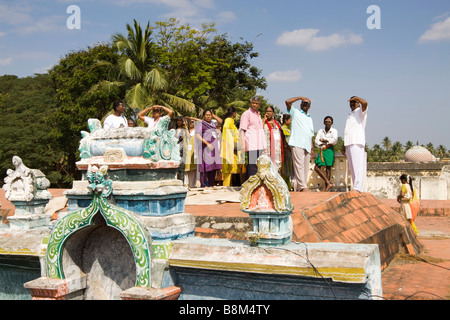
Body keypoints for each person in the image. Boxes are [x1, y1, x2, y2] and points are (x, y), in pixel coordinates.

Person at [285, 96, 315, 192]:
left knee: (306, 167)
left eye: (307, 104)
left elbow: (310, 134)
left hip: (307, 145)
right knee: (299, 166)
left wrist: (312, 147)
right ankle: (302, 186)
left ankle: (301, 187)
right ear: (301, 104)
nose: (305, 105)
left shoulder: (309, 118)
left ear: (309, 106)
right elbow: (287, 102)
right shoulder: (295, 112)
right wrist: (300, 97)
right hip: (297, 142)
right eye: (303, 103)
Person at [188, 110, 222, 188]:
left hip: (213, 149)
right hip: (205, 148)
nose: (208, 116)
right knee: (205, 167)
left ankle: (211, 184)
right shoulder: (201, 124)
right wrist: (206, 143)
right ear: (203, 116)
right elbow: (197, 135)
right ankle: (203, 185)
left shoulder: (213, 124)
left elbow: (221, 122)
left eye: (210, 115)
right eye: (207, 115)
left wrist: (214, 116)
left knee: (213, 167)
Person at [343, 96, 368, 192]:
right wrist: (344, 145)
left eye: (354, 102)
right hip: (349, 142)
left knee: (358, 166)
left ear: (358, 103)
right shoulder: (350, 114)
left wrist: (357, 98)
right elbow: (348, 130)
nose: (352, 104)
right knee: (352, 167)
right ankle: (356, 187)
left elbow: (365, 103)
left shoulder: (361, 112)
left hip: (357, 141)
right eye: (351, 102)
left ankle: (358, 187)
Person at [239, 96, 266, 179]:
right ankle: (250, 186)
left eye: (257, 103)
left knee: (258, 165)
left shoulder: (258, 114)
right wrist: (242, 144)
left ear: (259, 105)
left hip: (259, 144)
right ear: (250, 103)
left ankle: (255, 185)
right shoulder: (246, 114)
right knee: (252, 165)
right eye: (253, 103)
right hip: (251, 143)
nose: (255, 105)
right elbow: (242, 130)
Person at [221, 106, 245, 186]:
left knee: (231, 172)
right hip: (231, 149)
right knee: (229, 173)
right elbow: (226, 128)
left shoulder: (228, 121)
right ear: (234, 113)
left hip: (232, 149)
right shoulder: (229, 120)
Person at [314, 116, 338, 191]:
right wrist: (327, 141)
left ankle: (326, 187)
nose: (327, 123)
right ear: (324, 122)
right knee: (316, 168)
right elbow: (316, 142)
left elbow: (334, 141)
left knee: (328, 168)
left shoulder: (334, 131)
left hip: (329, 150)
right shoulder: (320, 131)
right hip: (322, 151)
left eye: (329, 122)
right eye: (326, 121)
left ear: (332, 123)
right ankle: (328, 182)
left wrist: (324, 140)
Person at [262, 106, 286, 174]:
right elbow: (260, 131)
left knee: (277, 166)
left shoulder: (277, 124)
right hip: (267, 149)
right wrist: (264, 120)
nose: (268, 113)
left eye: (270, 111)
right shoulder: (263, 122)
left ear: (273, 113)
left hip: (276, 149)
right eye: (267, 111)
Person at [184, 119, 198, 188]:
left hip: (193, 152)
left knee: (193, 170)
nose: (191, 123)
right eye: (190, 122)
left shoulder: (196, 132)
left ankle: (192, 185)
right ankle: (185, 184)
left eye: (192, 122)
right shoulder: (185, 130)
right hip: (186, 151)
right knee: (185, 169)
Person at [281, 114, 294, 190]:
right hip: (286, 151)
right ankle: (285, 187)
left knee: (288, 170)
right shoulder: (282, 129)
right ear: (286, 120)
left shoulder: (288, 130)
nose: (291, 122)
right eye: (290, 120)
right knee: (285, 170)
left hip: (290, 151)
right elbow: (285, 141)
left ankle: (288, 187)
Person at [175, 116, 189, 183]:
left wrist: (185, 126)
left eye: (180, 120)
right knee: (175, 168)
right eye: (177, 120)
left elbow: (189, 136)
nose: (178, 122)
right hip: (174, 150)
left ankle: (181, 183)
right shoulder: (174, 130)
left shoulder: (184, 130)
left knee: (182, 168)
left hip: (182, 150)